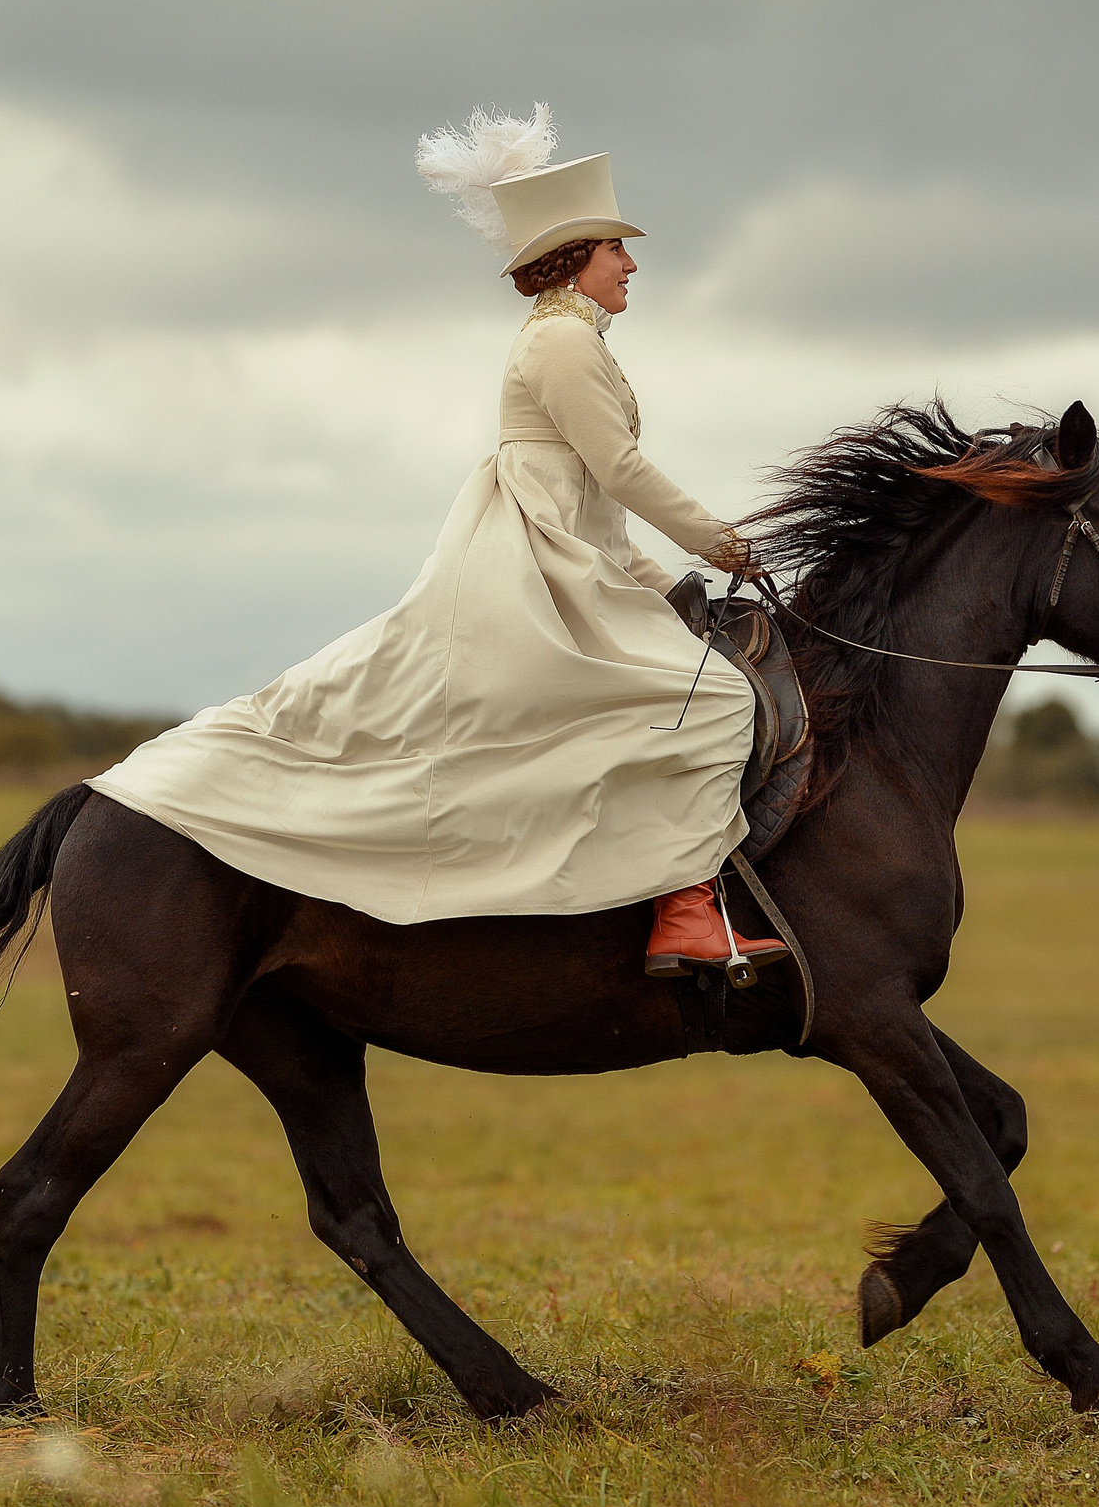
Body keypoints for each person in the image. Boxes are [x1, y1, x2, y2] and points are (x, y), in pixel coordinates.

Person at [89, 108, 786, 979]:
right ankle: (681, 911)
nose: (633, 263)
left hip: (567, 560)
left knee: (685, 689)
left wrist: (665, 583)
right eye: (618, 248)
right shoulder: (566, 341)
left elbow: (597, 509)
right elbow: (620, 470)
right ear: (577, 257)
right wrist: (723, 544)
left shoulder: (575, 340)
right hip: (532, 574)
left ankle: (675, 901)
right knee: (715, 702)